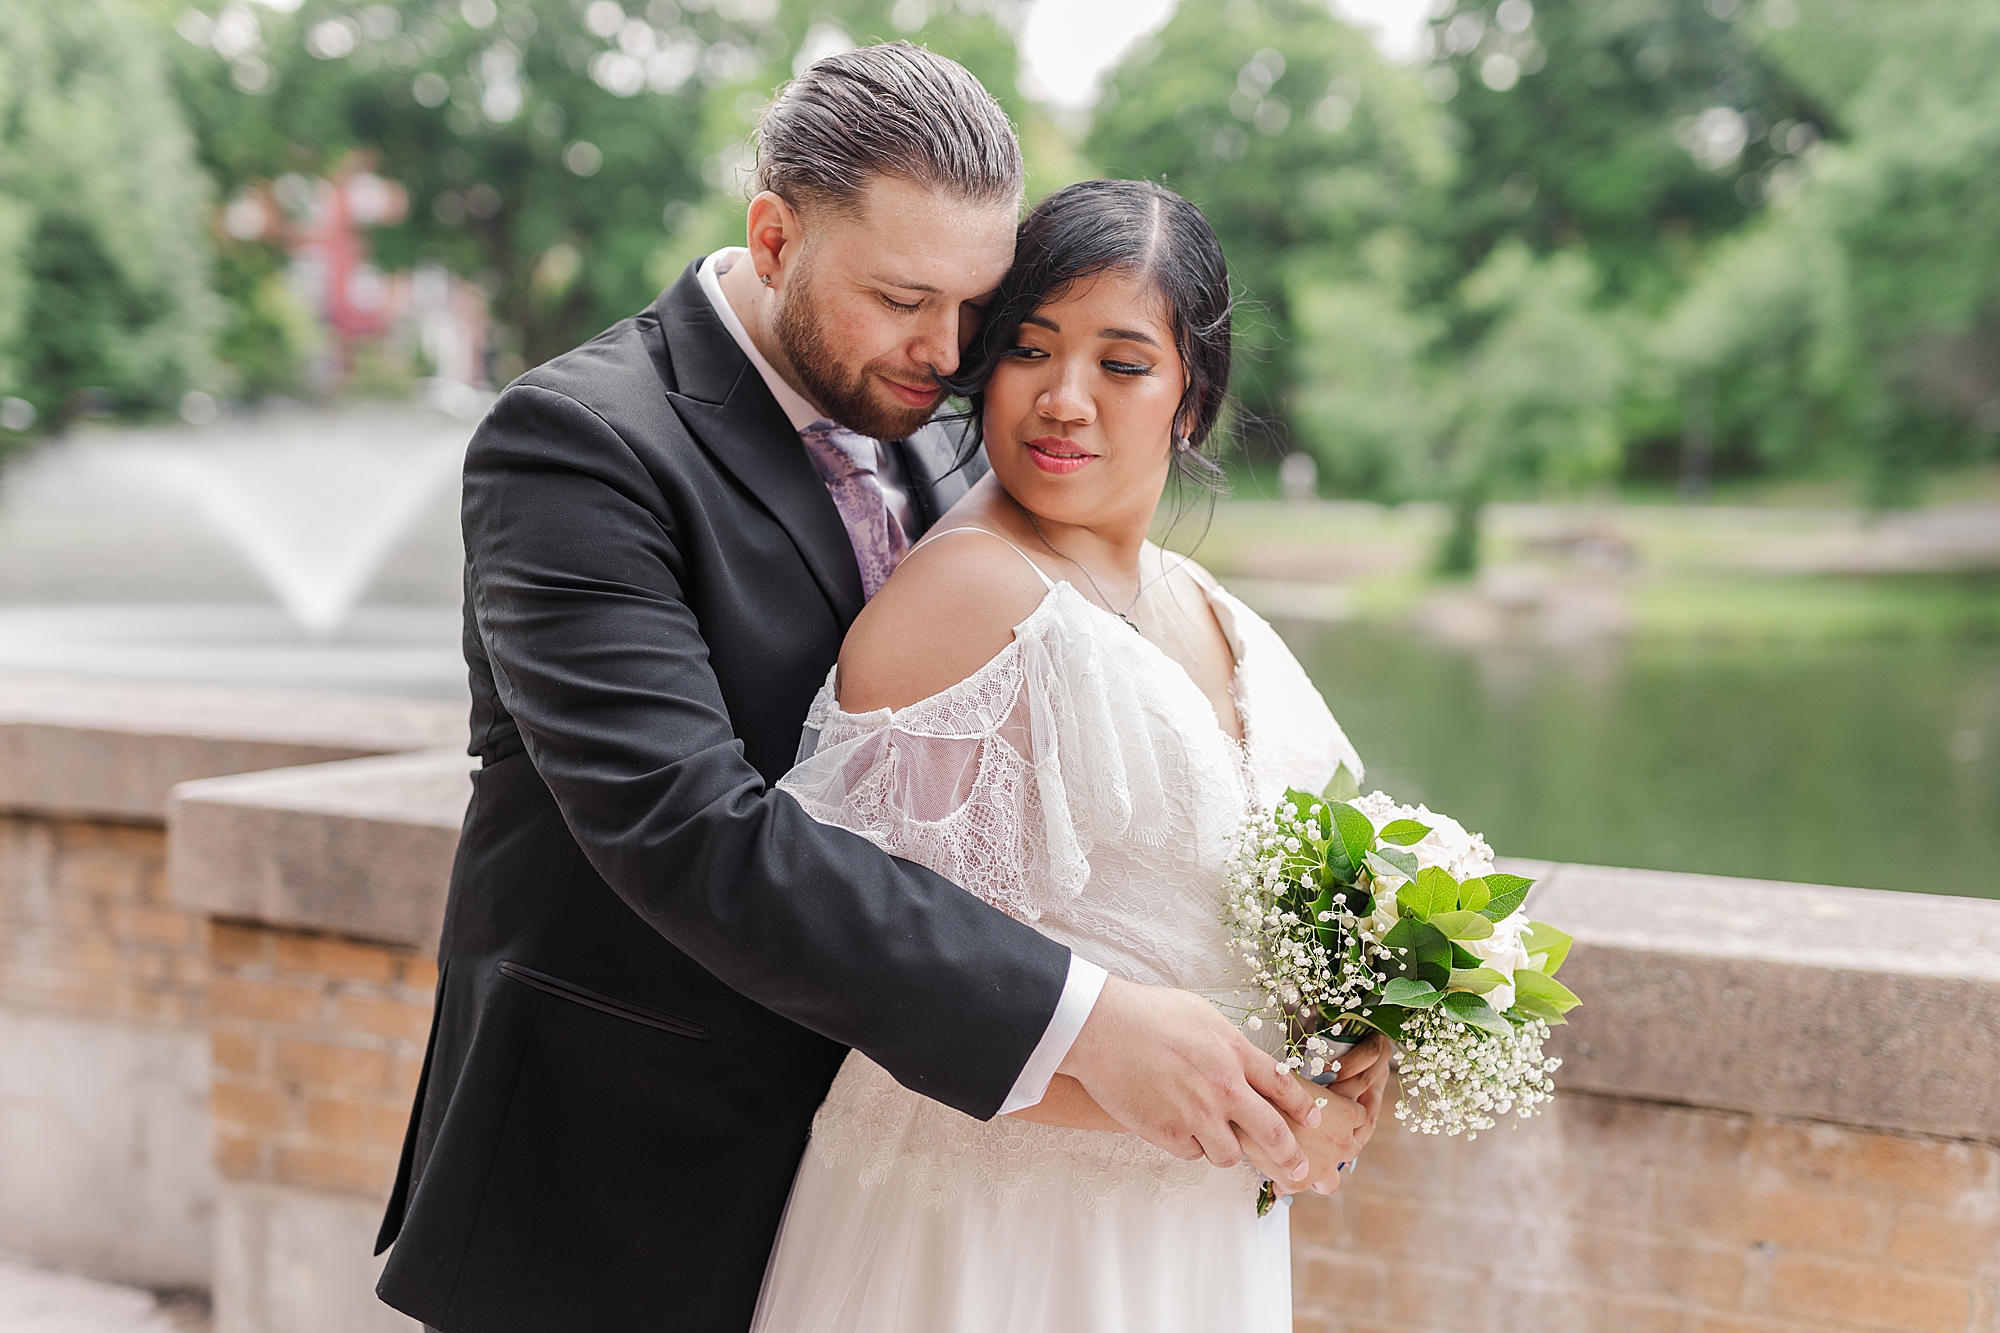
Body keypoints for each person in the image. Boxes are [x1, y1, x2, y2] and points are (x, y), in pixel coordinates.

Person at [373, 43, 1384, 1332]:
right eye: (905, 297)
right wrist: (1085, 1027)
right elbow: (688, 830)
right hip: (628, 1178)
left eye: (977, 304)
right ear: (776, 237)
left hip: (910, 1180)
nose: (951, 350)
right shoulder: (577, 445)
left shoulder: (943, 414)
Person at [751, 178, 1387, 1333]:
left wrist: (1360, 1034)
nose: (1063, 400)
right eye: (1028, 350)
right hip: (999, 1239)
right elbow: (885, 996)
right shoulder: (965, 598)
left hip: (1185, 1224)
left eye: (1123, 363)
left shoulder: (1209, 609)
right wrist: (1256, 1110)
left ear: (1189, 400)